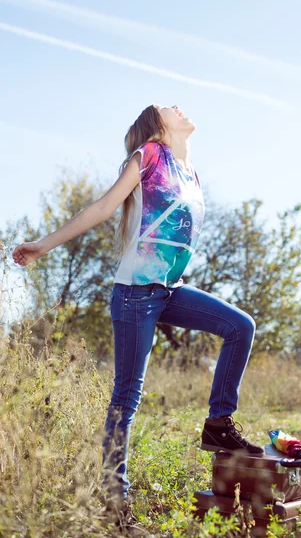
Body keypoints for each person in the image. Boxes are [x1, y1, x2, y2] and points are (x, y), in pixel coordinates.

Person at [12, 103, 264, 511]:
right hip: (134, 293)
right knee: (127, 397)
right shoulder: (147, 155)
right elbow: (102, 208)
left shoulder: (192, 174)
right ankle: (116, 497)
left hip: (170, 290)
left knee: (240, 326)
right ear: (158, 124)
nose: (179, 108)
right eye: (169, 107)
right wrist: (44, 245)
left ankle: (219, 423)